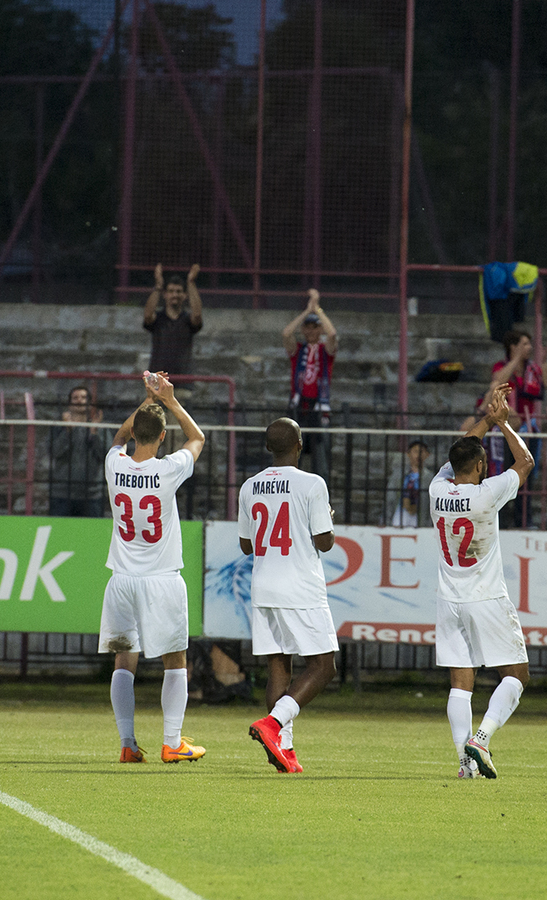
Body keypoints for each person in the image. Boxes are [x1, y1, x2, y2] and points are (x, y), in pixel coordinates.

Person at [103, 372, 208, 764]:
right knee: (175, 660)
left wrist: (147, 400)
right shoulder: (167, 469)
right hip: (161, 579)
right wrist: (169, 400)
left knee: (123, 659)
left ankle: (128, 744)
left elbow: (118, 437)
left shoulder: (114, 463)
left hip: (121, 580)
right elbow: (197, 438)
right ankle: (172, 741)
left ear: (135, 432)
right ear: (163, 437)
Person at [432, 385, 534, 780]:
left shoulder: (437, 490)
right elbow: (525, 461)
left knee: (461, 683)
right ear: (479, 466)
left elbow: (459, 452)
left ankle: (464, 764)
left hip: (448, 599)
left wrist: (485, 421)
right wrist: (503, 424)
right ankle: (482, 738)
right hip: (486, 596)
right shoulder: (487, 494)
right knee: (516, 675)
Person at [243, 418, 338, 774]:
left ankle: (283, 749)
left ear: (269, 447)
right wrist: (327, 518)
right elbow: (325, 542)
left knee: (278, 666)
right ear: (299, 445)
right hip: (299, 585)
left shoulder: (250, 486)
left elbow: (246, 545)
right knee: (324, 666)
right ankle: (273, 724)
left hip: (264, 584)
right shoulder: (312, 483)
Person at [491, 329, 547, 527]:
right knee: (503, 474)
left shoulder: (532, 369)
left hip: (528, 428)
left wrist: (544, 362)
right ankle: (501, 519)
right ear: (513, 346)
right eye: (525, 344)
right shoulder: (501, 366)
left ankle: (523, 520)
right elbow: (498, 381)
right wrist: (515, 359)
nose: (529, 348)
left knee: (525, 475)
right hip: (506, 429)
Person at [282, 289, 338, 482]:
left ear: (320, 329)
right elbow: (286, 333)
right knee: (292, 456)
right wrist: (307, 311)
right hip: (299, 406)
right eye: (308, 327)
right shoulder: (298, 350)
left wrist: (318, 309)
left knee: (320, 459)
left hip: (319, 407)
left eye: (315, 327)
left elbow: (332, 334)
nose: (311, 330)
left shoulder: (325, 351)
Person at [49, 386, 108, 518]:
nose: (79, 401)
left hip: (92, 493)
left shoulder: (100, 427)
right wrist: (67, 431)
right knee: (60, 529)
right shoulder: (59, 427)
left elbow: (106, 454)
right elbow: (54, 452)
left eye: (83, 397)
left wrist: (94, 433)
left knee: (90, 530)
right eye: (75, 398)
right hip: (62, 493)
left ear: (89, 403)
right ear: (69, 404)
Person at [143, 264, 204, 375]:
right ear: (165, 294)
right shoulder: (158, 318)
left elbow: (197, 316)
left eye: (178, 291)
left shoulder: (187, 320)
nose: (175, 295)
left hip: (183, 379)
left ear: (185, 295)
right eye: (171, 291)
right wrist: (158, 286)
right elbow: (147, 316)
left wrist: (191, 283)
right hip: (159, 379)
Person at [385, 440, 431, 528]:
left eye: (421, 452)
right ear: (408, 454)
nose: (418, 455)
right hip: (400, 513)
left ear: (427, 455)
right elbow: (390, 496)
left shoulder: (429, 477)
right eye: (415, 451)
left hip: (420, 515)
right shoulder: (398, 475)